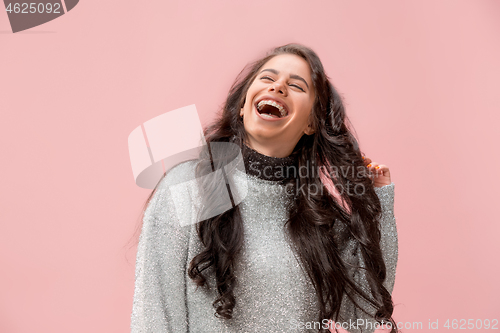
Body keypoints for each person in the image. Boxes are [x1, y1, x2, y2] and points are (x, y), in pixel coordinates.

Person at [131, 43, 398, 333]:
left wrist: (376, 208)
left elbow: (363, 318)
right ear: (244, 106)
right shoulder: (190, 186)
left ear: (311, 122)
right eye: (268, 78)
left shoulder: (319, 216)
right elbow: (155, 314)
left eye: (297, 85)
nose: (279, 86)